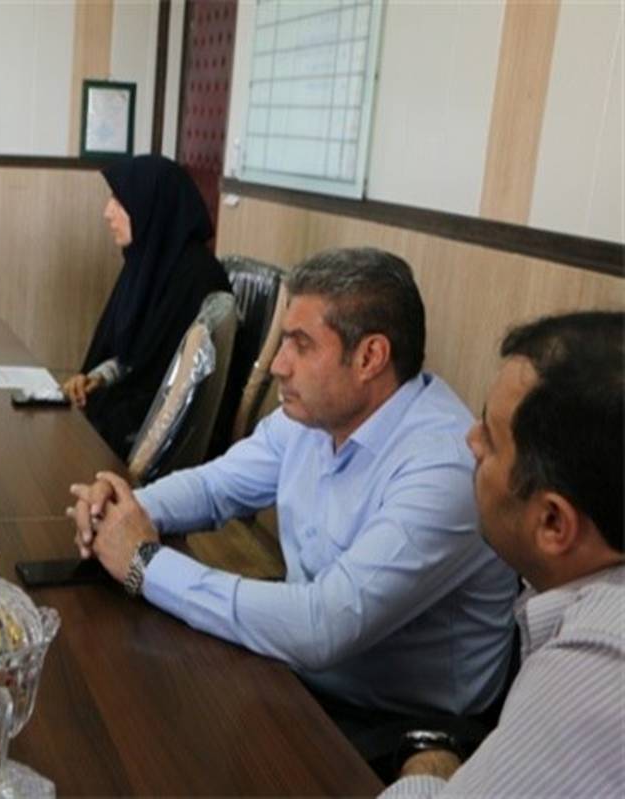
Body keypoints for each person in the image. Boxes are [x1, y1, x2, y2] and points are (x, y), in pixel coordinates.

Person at [68, 248, 518, 724]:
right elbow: (215, 486)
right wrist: (121, 509)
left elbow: (322, 627)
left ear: (370, 357)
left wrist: (143, 563)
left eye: (301, 345)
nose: (278, 365)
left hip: (396, 725)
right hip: (303, 671)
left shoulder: (444, 466)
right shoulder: (316, 415)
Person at [382, 311, 623, 797]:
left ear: (553, 522)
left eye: (490, 440)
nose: (469, 442)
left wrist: (428, 769)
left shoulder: (597, 667)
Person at [61, 155, 231, 459]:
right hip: (130, 418)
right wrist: (95, 377)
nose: (107, 213)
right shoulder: (144, 265)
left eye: (119, 201)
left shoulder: (196, 277)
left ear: (151, 206)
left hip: (157, 442)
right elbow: (130, 354)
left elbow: (165, 388)